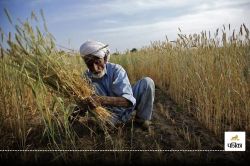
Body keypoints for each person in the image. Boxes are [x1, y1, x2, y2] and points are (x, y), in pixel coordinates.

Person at [78, 40, 155, 131]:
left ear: (105, 59)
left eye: (98, 62)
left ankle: (140, 120)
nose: (95, 68)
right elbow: (82, 104)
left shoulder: (116, 70)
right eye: (90, 64)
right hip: (108, 115)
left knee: (147, 82)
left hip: (128, 109)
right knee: (102, 126)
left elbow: (128, 101)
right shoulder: (85, 77)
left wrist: (100, 100)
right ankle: (114, 123)